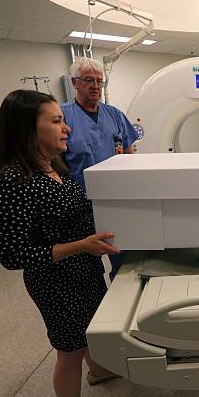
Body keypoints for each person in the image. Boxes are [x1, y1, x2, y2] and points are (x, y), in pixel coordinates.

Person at [0, 90, 122, 397]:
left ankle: (99, 370)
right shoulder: (14, 181)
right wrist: (80, 246)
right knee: (70, 351)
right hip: (55, 282)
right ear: (30, 129)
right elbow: (11, 254)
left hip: (85, 271)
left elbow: (77, 213)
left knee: (90, 331)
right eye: (57, 121)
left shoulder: (54, 168)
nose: (67, 128)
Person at [61, 57, 138, 280]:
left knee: (122, 257)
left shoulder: (115, 115)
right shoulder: (63, 116)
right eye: (88, 80)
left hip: (117, 200)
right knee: (85, 265)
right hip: (80, 204)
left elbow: (130, 154)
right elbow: (57, 165)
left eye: (99, 81)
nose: (95, 86)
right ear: (74, 83)